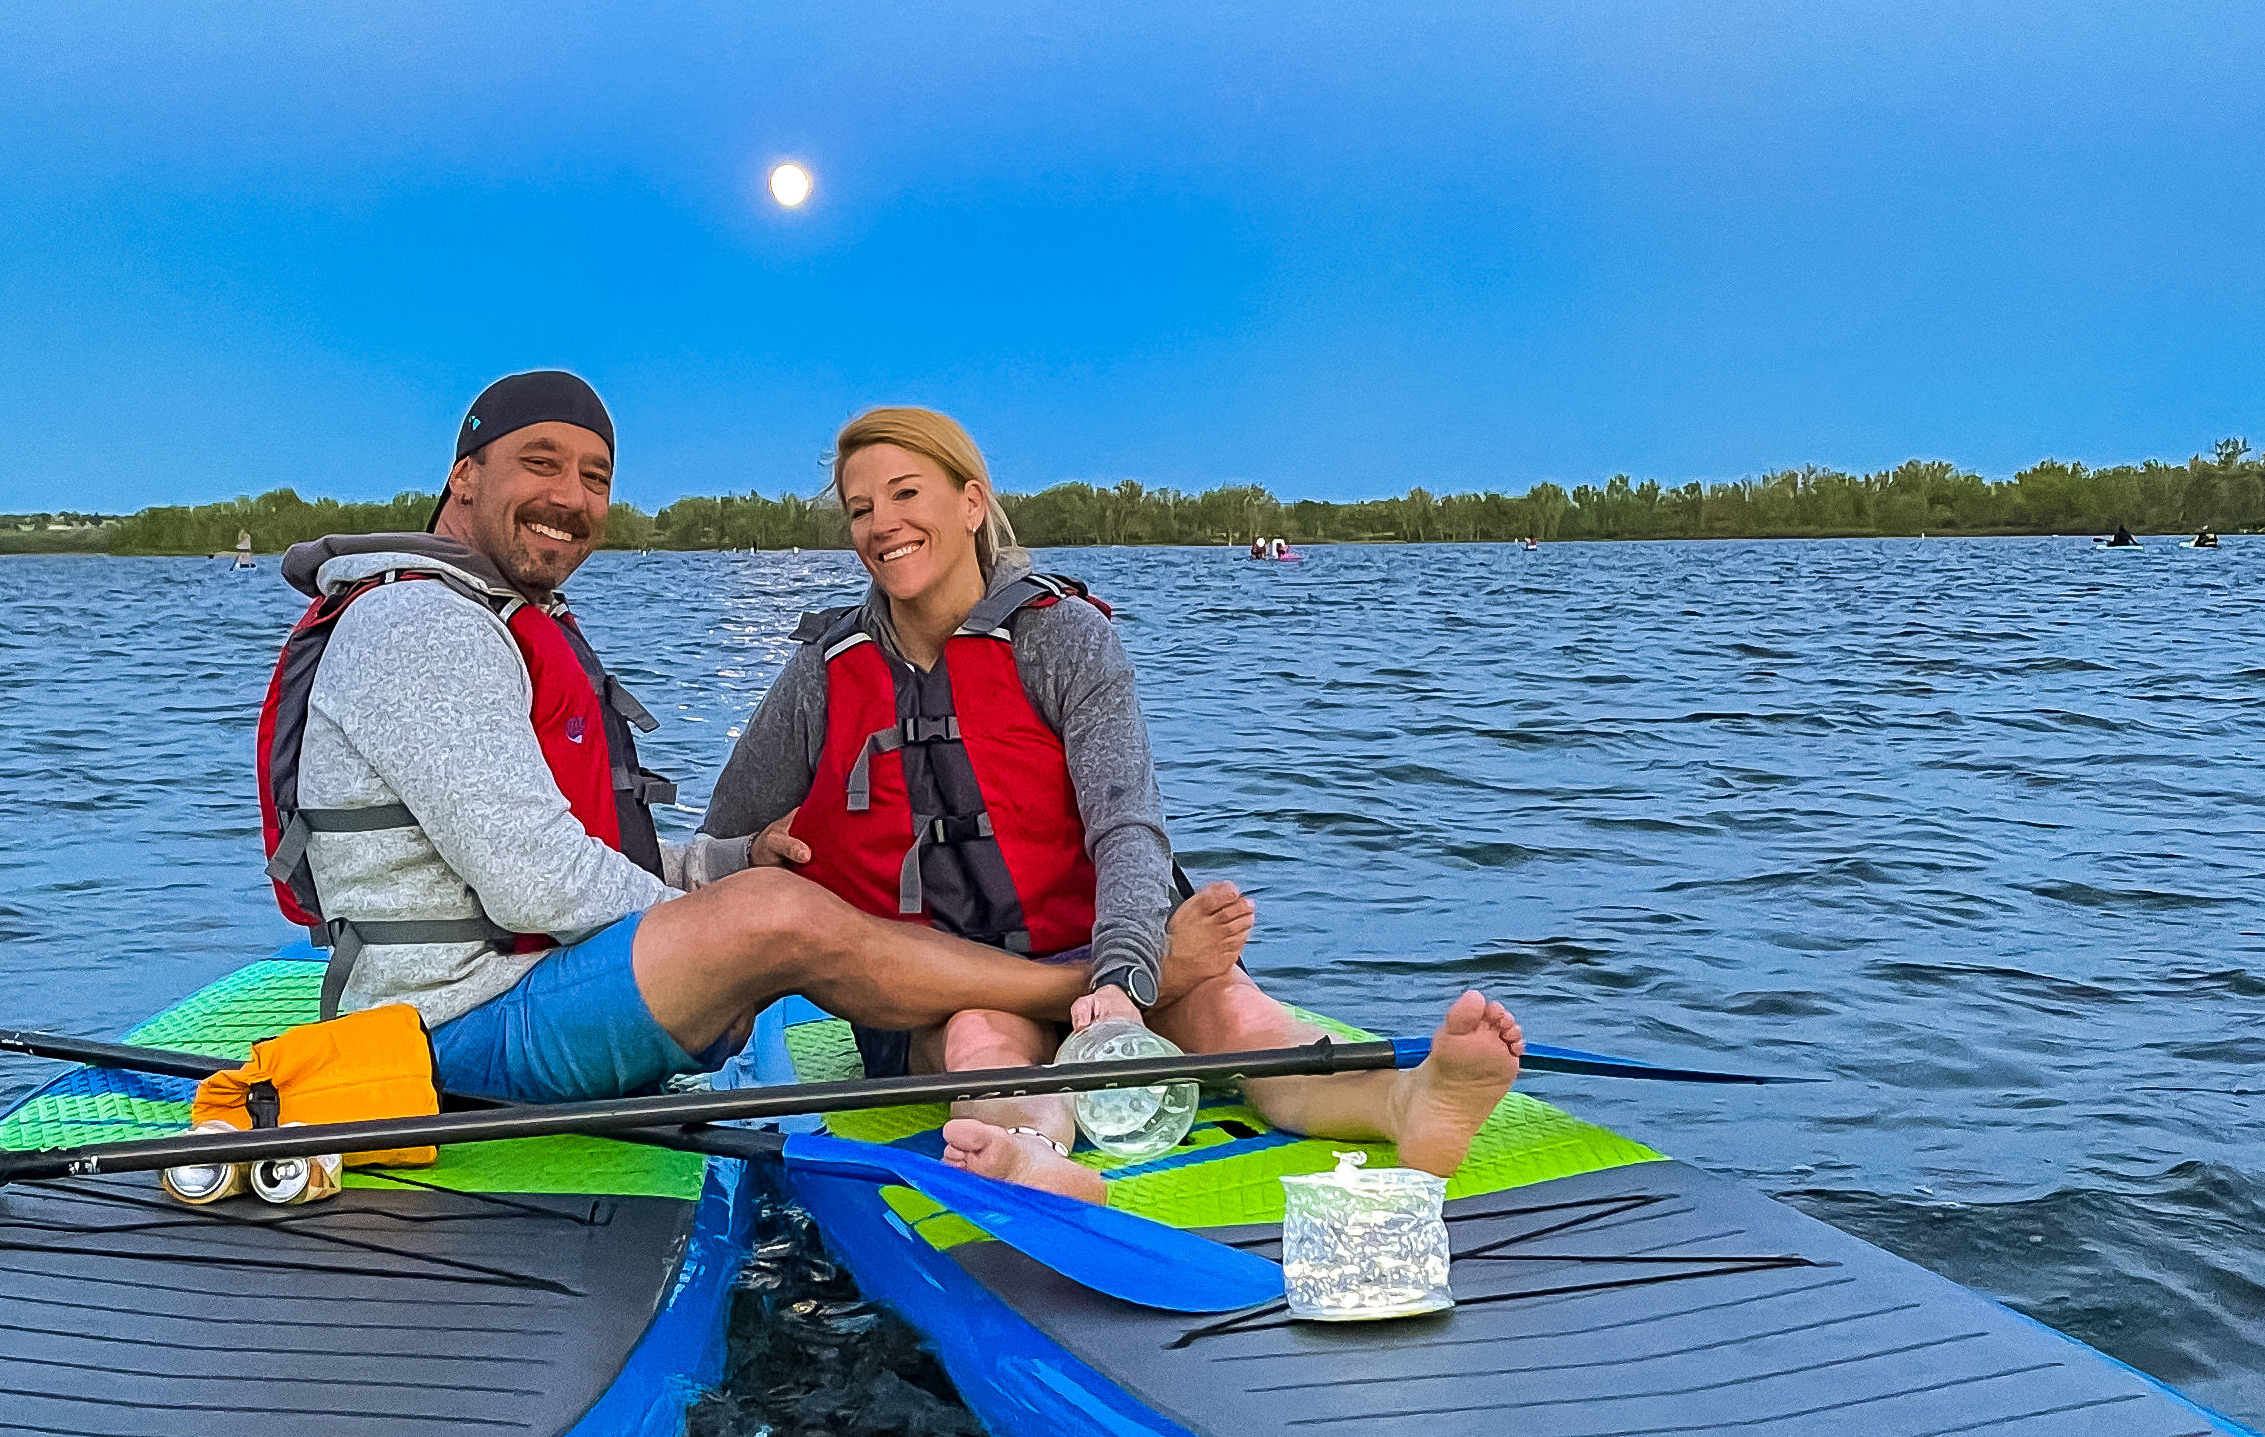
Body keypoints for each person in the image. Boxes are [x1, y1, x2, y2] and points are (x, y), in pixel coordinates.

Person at [692, 405, 1522, 1200]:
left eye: (907, 493)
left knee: (1235, 1010)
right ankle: (1034, 1152)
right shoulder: (820, 675)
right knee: (986, 1041)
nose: (882, 524)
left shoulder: (1064, 638)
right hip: (946, 987)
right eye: (860, 507)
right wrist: (755, 872)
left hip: (1108, 946)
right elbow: (719, 840)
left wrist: (1126, 976)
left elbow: (1128, 824)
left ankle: (1404, 1101)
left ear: (972, 502)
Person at [273, 371, 1102, 1103]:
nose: (571, 496)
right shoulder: (419, 625)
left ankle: (1010, 1013)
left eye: (594, 477)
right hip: (446, 1034)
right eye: (541, 461)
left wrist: (730, 866)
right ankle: (1066, 991)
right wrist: (730, 931)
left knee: (772, 894)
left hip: (525, 988)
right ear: (464, 474)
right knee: (777, 917)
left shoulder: (494, 620)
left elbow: (574, 849)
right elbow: (538, 888)